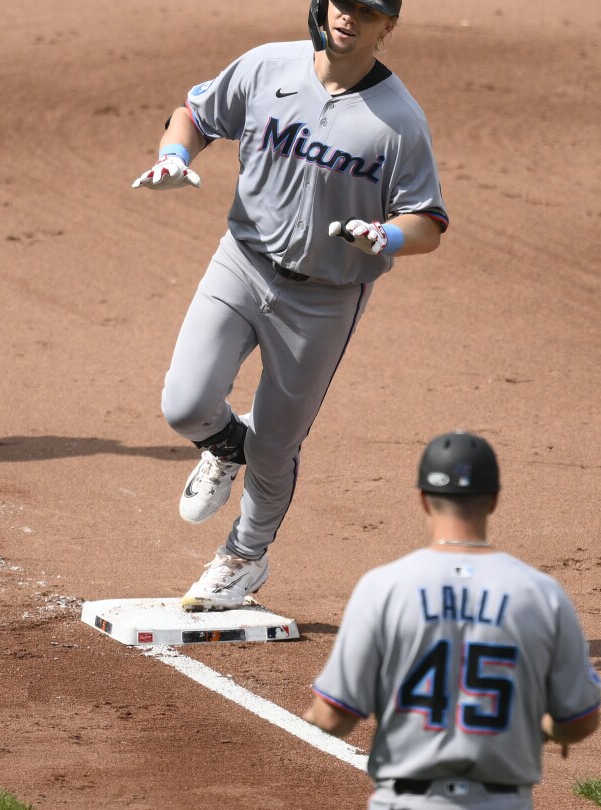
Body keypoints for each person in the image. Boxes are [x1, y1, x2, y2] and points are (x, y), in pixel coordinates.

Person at [131, 0, 448, 610]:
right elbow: (194, 115)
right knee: (185, 405)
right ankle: (227, 446)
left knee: (276, 446)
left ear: (388, 27)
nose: (350, 17)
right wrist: (175, 155)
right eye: (344, 2)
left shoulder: (399, 120)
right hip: (242, 263)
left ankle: (243, 558)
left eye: (369, 12)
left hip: (324, 300)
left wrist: (387, 235)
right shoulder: (266, 67)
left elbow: (427, 221)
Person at [303, 432, 601, 809]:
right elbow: (580, 720)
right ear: (494, 500)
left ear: (423, 499)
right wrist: (547, 729)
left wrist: (313, 714)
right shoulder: (542, 594)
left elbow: (334, 718)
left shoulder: (384, 587)